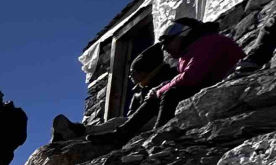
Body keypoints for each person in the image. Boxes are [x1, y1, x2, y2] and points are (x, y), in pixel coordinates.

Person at [104, 19, 244, 145]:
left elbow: (190, 77)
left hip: (230, 83)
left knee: (172, 93)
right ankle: (122, 133)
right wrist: (161, 88)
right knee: (161, 94)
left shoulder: (209, 42)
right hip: (211, 83)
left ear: (183, 35)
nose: (164, 48)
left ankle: (159, 132)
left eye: (167, 42)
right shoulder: (190, 51)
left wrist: (161, 90)